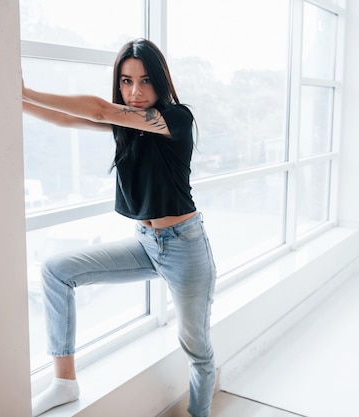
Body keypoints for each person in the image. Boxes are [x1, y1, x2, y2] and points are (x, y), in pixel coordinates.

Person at [22, 38, 217, 417]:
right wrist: (16, 100)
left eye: (145, 81)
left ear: (161, 82)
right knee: (56, 271)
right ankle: (64, 382)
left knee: (197, 349)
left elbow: (96, 110)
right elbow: (67, 118)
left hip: (185, 248)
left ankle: (199, 413)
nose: (135, 91)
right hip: (146, 243)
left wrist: (26, 90)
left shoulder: (176, 118)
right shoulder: (125, 125)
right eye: (126, 81)